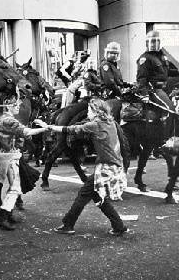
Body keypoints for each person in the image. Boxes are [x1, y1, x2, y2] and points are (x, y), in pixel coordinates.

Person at [35, 98, 129, 236]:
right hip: (113, 167)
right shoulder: (111, 122)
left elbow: (70, 129)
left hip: (106, 168)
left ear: (97, 112)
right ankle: (118, 226)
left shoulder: (95, 125)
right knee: (97, 197)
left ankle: (68, 224)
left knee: (83, 194)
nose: (87, 114)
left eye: (90, 111)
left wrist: (47, 126)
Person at [0, 96, 49, 231]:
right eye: (15, 105)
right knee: (15, 188)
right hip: (10, 158)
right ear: (7, 106)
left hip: (10, 156)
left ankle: (8, 212)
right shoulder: (8, 120)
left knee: (14, 187)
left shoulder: (7, 119)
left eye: (19, 105)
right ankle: (2, 217)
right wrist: (45, 128)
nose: (18, 107)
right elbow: (27, 132)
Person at [136, 30, 178, 117]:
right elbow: (141, 78)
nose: (153, 44)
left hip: (166, 88)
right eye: (151, 41)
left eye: (156, 41)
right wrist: (144, 94)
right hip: (155, 90)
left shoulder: (162, 57)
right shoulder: (145, 58)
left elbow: (168, 72)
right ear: (147, 43)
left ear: (160, 42)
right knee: (170, 109)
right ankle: (169, 131)